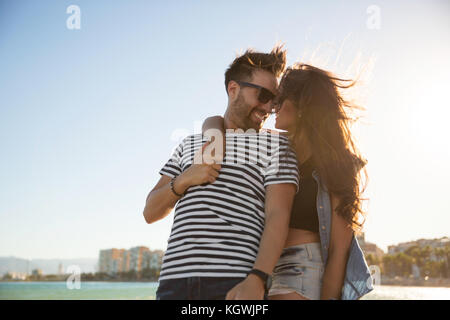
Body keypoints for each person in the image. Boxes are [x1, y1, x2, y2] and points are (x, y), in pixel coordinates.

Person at [204, 63, 374, 300]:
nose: (273, 106)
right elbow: (216, 121)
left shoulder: (337, 164)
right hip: (261, 270)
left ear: (302, 106)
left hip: (302, 267)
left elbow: (338, 250)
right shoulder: (274, 147)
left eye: (280, 98)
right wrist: (212, 139)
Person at [143, 45, 300, 300]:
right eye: (262, 95)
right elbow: (150, 212)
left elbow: (277, 215)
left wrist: (257, 278)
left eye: (275, 100)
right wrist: (184, 179)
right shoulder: (190, 143)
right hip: (172, 283)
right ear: (233, 89)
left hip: (234, 284)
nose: (269, 107)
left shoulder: (277, 146)